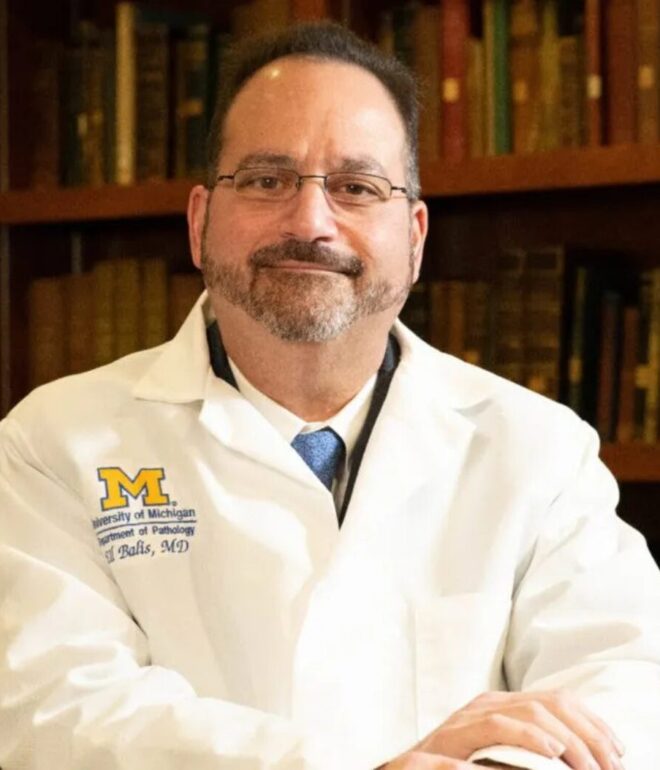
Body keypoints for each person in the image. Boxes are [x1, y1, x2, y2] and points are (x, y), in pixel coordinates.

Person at [1, 21, 659, 770]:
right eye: (266, 180)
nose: (311, 222)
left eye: (356, 187)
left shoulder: (539, 450)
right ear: (200, 222)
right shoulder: (55, 444)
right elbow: (57, 715)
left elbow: (625, 691)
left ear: (414, 237)